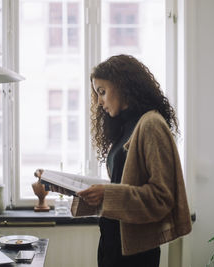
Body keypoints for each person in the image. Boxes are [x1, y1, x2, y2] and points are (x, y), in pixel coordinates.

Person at [77, 54, 192, 267]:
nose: (99, 102)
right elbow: (125, 185)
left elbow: (161, 198)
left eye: (102, 92)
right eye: (97, 94)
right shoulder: (125, 127)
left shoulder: (150, 125)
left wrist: (107, 192)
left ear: (123, 86)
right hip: (112, 244)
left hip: (135, 254)